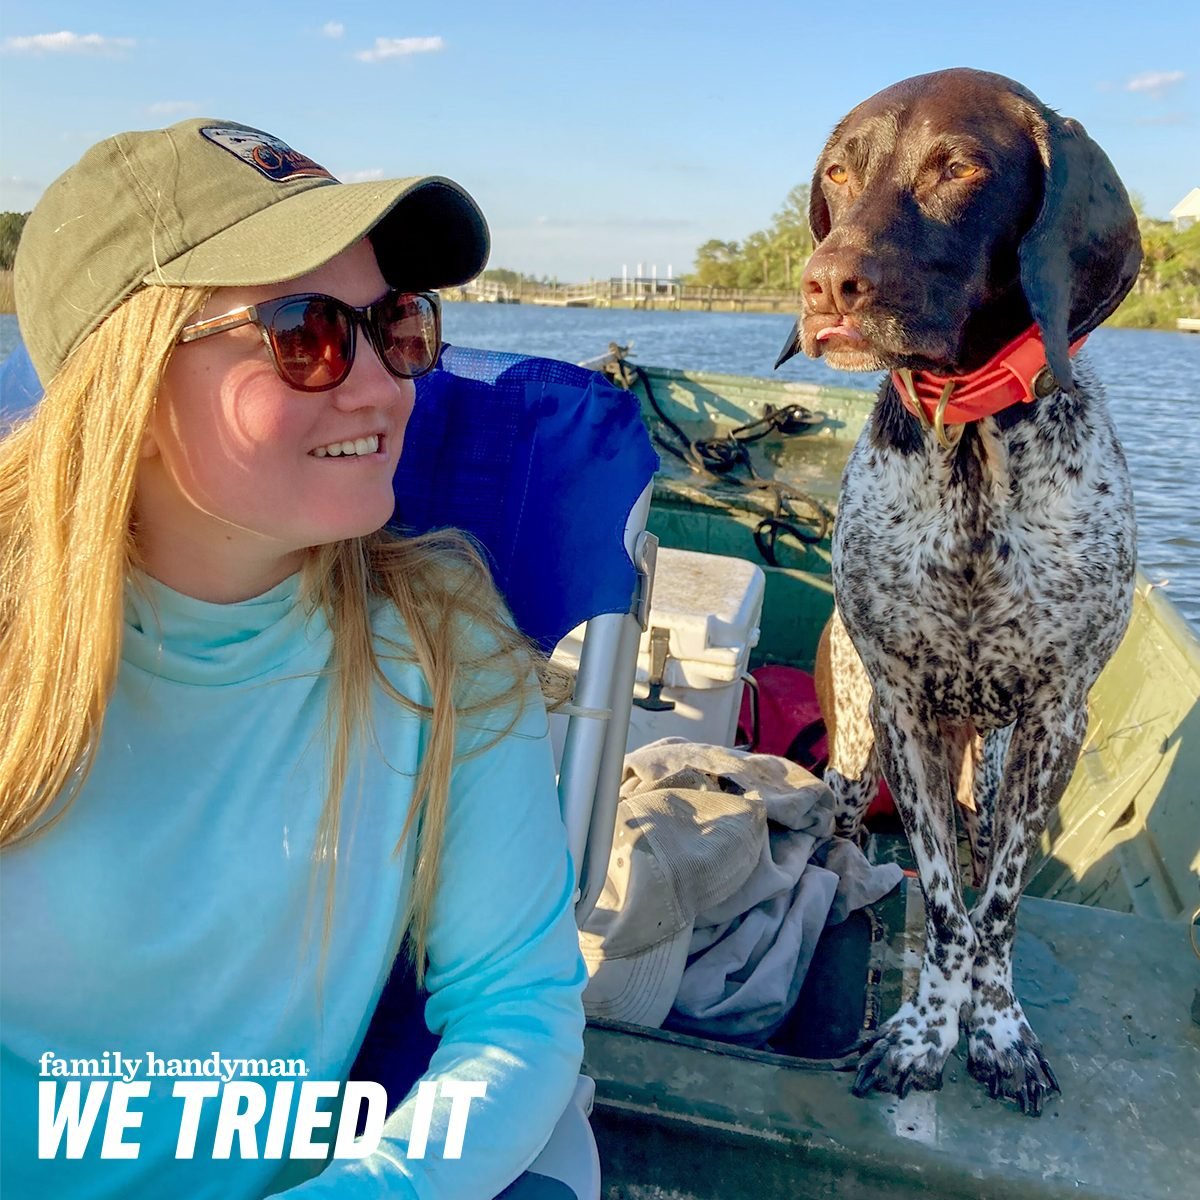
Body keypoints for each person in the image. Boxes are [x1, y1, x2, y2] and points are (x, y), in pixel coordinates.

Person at [0, 118, 587, 1198]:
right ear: (124, 385)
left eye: (395, 325)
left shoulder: (443, 642)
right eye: (307, 334)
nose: (385, 386)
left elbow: (515, 1005)